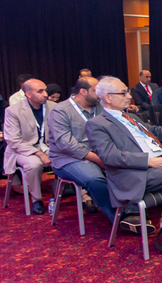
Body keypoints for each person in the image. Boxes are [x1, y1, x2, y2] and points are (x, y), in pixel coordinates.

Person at [85, 77, 162, 233]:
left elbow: (155, 131)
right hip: (138, 173)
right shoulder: (97, 124)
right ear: (107, 97)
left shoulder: (131, 117)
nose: (129, 96)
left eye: (127, 92)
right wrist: (148, 161)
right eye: (123, 93)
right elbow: (109, 156)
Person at [48, 77, 113, 219]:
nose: (100, 94)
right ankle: (118, 217)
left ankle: (133, 211)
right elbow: (65, 144)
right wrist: (97, 159)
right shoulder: (61, 111)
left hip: (98, 154)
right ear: (83, 92)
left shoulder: (101, 108)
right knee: (94, 179)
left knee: (129, 170)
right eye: (96, 91)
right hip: (67, 158)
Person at [3, 78, 53, 214]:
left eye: (45, 90)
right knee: (34, 164)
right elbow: (14, 141)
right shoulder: (13, 111)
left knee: (74, 156)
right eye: (40, 91)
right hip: (22, 150)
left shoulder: (54, 107)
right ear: (28, 94)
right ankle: (36, 199)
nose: (45, 94)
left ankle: (84, 197)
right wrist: (39, 153)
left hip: (49, 147)